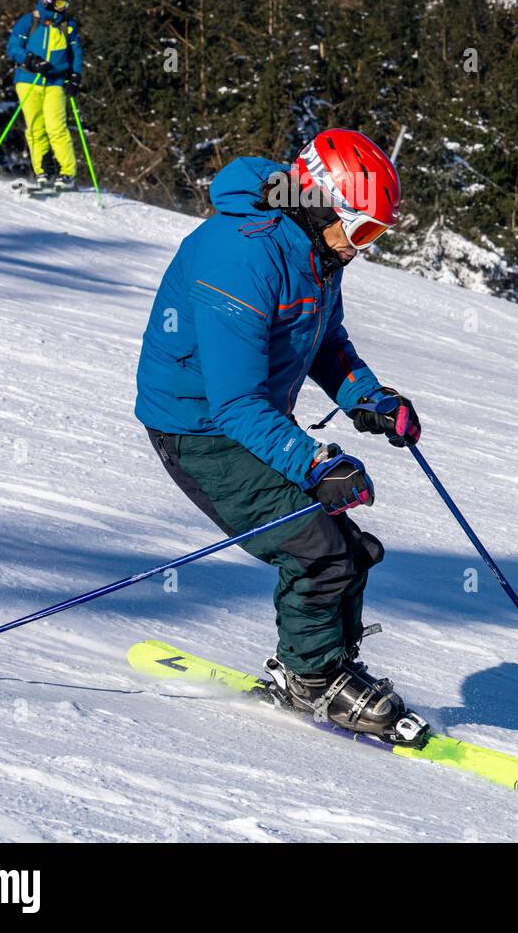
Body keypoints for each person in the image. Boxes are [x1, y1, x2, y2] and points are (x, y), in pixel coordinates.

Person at [135, 129, 422, 740]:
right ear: (321, 203)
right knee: (315, 551)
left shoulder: (318, 252)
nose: (361, 248)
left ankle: (330, 667)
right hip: (199, 427)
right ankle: (312, 682)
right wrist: (315, 462)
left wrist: (365, 397)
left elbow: (324, 342)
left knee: (352, 551)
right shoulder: (239, 258)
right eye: (363, 229)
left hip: (250, 417)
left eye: (375, 234)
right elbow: (234, 403)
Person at [6, 0, 84, 190]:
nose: (64, 8)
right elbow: (13, 47)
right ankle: (43, 170)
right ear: (47, 1)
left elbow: (76, 52)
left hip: (56, 82)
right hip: (28, 80)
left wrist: (75, 76)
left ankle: (67, 173)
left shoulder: (68, 26)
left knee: (56, 127)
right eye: (60, 4)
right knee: (35, 127)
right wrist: (29, 60)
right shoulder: (28, 21)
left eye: (65, 4)